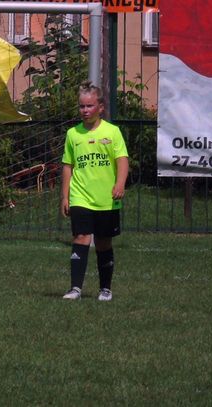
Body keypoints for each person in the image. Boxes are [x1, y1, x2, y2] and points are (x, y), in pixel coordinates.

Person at [60, 81, 129, 301]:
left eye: (89, 106)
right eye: (82, 106)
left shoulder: (112, 132)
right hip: (80, 196)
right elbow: (67, 166)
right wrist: (65, 196)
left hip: (106, 198)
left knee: (103, 242)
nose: (85, 110)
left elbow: (122, 160)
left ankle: (105, 289)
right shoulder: (73, 134)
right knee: (81, 237)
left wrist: (120, 184)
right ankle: (75, 289)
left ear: (100, 107)